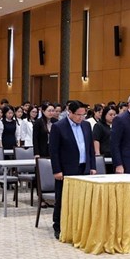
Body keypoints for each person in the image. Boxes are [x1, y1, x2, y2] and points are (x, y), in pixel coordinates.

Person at [49, 100, 96, 239]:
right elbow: (53, 151)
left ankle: (78, 226)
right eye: (78, 115)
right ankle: (58, 226)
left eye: (83, 115)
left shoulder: (86, 125)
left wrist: (92, 166)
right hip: (66, 169)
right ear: (69, 112)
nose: (81, 117)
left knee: (82, 199)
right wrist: (57, 170)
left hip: (84, 168)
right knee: (62, 199)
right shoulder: (58, 127)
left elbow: (90, 148)